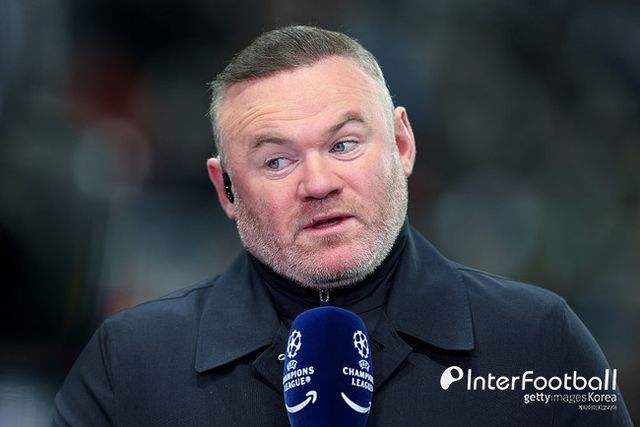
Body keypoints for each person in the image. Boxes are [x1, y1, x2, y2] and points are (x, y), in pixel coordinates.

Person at [53, 25, 632, 426]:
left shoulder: (538, 341)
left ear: (402, 144)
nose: (318, 182)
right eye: (276, 161)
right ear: (225, 188)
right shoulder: (132, 364)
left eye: (344, 144)